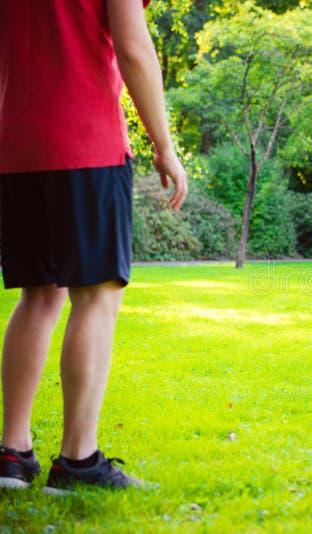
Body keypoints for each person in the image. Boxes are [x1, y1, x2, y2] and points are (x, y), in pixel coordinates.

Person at [0, 0, 187, 493]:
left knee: (38, 296)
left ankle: (11, 455)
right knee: (97, 295)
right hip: (85, 142)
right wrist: (164, 146)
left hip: (17, 145)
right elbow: (133, 46)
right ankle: (78, 460)